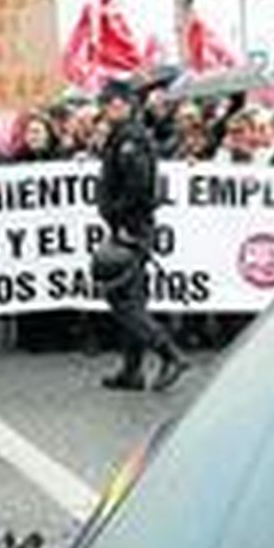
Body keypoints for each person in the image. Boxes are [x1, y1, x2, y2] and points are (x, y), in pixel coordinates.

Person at [94, 79, 189, 392]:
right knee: (130, 297)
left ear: (126, 105)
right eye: (106, 104)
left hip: (130, 227)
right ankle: (132, 371)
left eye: (113, 104)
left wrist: (119, 219)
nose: (108, 109)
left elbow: (138, 187)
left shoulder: (130, 139)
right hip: (129, 226)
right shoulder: (122, 136)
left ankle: (170, 354)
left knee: (123, 302)